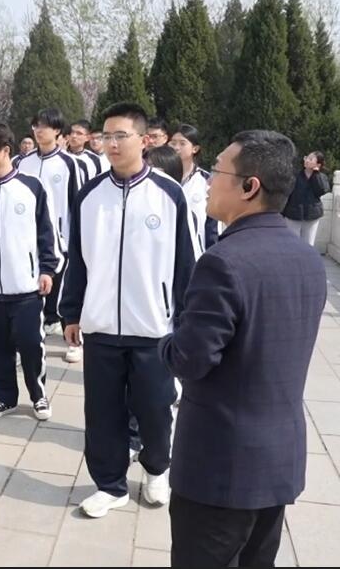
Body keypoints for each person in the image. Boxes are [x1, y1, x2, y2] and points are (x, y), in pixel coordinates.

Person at [159, 130, 327, 567]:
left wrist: (163, 340)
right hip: (277, 461)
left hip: (220, 468)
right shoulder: (308, 259)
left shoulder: (223, 262)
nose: (209, 181)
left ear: (250, 187)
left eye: (217, 171)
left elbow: (190, 359)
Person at [60, 102, 197, 518]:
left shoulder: (168, 194)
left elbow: (186, 264)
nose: (113, 144)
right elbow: (77, 259)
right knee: (102, 413)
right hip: (100, 325)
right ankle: (110, 485)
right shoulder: (89, 196)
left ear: (144, 139)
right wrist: (71, 312)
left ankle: (157, 469)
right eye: (107, 136)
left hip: (153, 327)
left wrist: (185, 322)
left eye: (121, 136)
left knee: (155, 408)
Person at [0, 123, 63, 421]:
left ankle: (39, 395)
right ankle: (4, 398)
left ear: (6, 150)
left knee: (30, 344)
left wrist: (48, 269)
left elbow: (47, 232)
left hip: (26, 287)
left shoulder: (31, 187)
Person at [17, 109, 86, 347]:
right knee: (32, 293)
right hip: (28, 239)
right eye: (36, 126)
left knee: (64, 291)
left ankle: (73, 341)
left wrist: (74, 239)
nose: (39, 131)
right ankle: (32, 343)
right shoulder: (23, 162)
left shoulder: (69, 164)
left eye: (44, 126)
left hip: (61, 239)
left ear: (57, 130)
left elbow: (77, 203)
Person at [169, 124, 219, 250]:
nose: (176, 148)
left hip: (196, 252)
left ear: (195, 149)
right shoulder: (161, 178)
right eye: (173, 143)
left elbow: (212, 225)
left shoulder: (206, 181)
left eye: (182, 143)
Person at [282, 151, 331, 246]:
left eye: (310, 159)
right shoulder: (295, 175)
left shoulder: (321, 177)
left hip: (312, 215)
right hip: (293, 213)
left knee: (308, 244)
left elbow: (321, 191)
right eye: (306, 158)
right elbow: (286, 192)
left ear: (318, 164)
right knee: (292, 244)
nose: (307, 160)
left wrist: (316, 174)